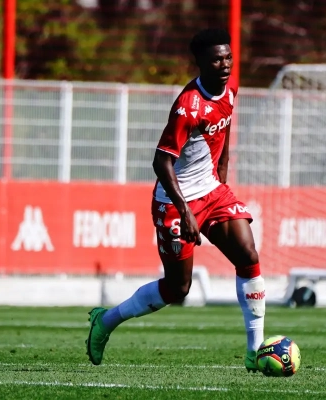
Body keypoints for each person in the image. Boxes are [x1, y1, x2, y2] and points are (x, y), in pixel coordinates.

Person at [85, 28, 265, 372]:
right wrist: (185, 212)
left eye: (228, 57)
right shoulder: (187, 107)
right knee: (178, 287)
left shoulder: (230, 89)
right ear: (200, 62)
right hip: (174, 201)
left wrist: (222, 169)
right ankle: (106, 321)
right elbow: (161, 161)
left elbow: (225, 124)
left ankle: (254, 352)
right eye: (217, 59)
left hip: (211, 190)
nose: (226, 65)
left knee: (248, 255)